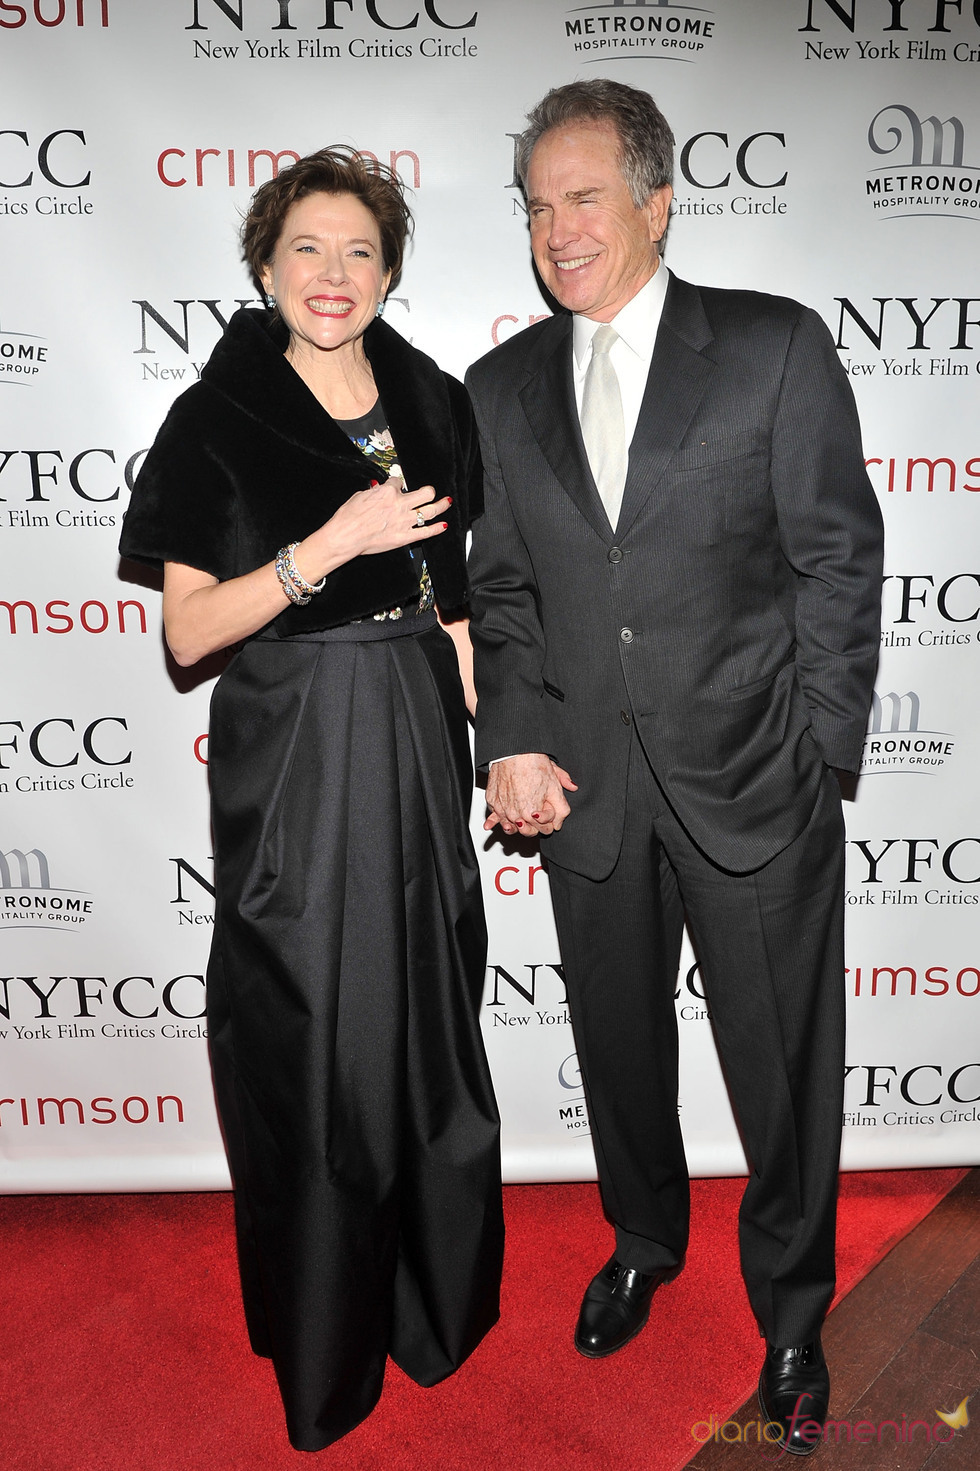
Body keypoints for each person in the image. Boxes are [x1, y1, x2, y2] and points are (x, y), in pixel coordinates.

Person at [466, 80, 883, 1457]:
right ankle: (645, 1236)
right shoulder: (500, 386)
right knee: (619, 1051)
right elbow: (509, 590)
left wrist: (822, 745)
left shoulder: (770, 349)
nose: (557, 229)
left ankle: (795, 1310)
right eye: (536, 205)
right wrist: (512, 733)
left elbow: (835, 554)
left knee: (782, 1065)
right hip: (585, 792)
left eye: (584, 197)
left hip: (755, 778)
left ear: (656, 200)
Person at [119, 147, 503, 1453]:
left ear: (389, 268)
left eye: (359, 252)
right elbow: (187, 635)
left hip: (412, 731)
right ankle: (326, 1331)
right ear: (266, 265)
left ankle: (431, 1303)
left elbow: (454, 609)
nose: (333, 276)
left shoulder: (433, 402)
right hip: (292, 739)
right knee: (315, 1035)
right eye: (307, 250)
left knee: (426, 1017)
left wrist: (497, 736)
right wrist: (319, 551)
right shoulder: (218, 417)